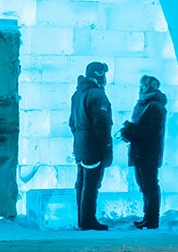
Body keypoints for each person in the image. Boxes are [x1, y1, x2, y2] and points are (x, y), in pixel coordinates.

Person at [69, 61, 113, 231]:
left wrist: (80, 137)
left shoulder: (77, 94)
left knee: (81, 181)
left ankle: (82, 219)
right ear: (98, 75)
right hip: (92, 145)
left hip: (80, 144)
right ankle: (88, 220)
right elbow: (102, 125)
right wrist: (106, 147)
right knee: (91, 183)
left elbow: (72, 123)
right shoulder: (97, 95)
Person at [119, 75, 168, 230]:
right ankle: (148, 217)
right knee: (144, 186)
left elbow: (152, 132)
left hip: (149, 152)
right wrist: (128, 132)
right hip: (140, 151)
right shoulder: (143, 104)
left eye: (144, 85)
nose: (141, 88)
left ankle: (152, 219)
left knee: (150, 185)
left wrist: (130, 128)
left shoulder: (155, 106)